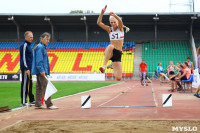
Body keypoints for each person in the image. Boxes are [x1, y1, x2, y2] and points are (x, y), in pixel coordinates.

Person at [97, 5, 129, 81]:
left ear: (117, 22)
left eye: (114, 22)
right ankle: (104, 66)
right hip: (110, 51)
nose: (113, 24)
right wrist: (102, 12)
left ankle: (112, 65)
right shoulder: (109, 29)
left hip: (118, 53)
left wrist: (115, 15)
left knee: (118, 78)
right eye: (111, 22)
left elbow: (120, 22)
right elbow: (99, 23)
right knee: (111, 46)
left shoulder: (121, 29)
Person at [32, 32, 58, 109]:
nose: (48, 41)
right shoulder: (40, 47)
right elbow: (39, 61)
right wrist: (42, 70)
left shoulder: (40, 47)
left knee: (39, 87)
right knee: (46, 87)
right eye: (47, 39)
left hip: (40, 70)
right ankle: (49, 104)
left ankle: (38, 104)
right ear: (42, 39)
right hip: (41, 71)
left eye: (49, 39)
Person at [20, 31, 35, 107]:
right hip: (26, 69)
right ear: (26, 37)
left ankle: (31, 100)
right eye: (30, 37)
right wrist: (26, 69)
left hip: (30, 68)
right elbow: (23, 58)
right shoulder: (24, 45)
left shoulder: (29, 46)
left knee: (30, 84)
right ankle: (23, 101)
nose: (32, 38)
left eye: (32, 37)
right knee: (25, 84)